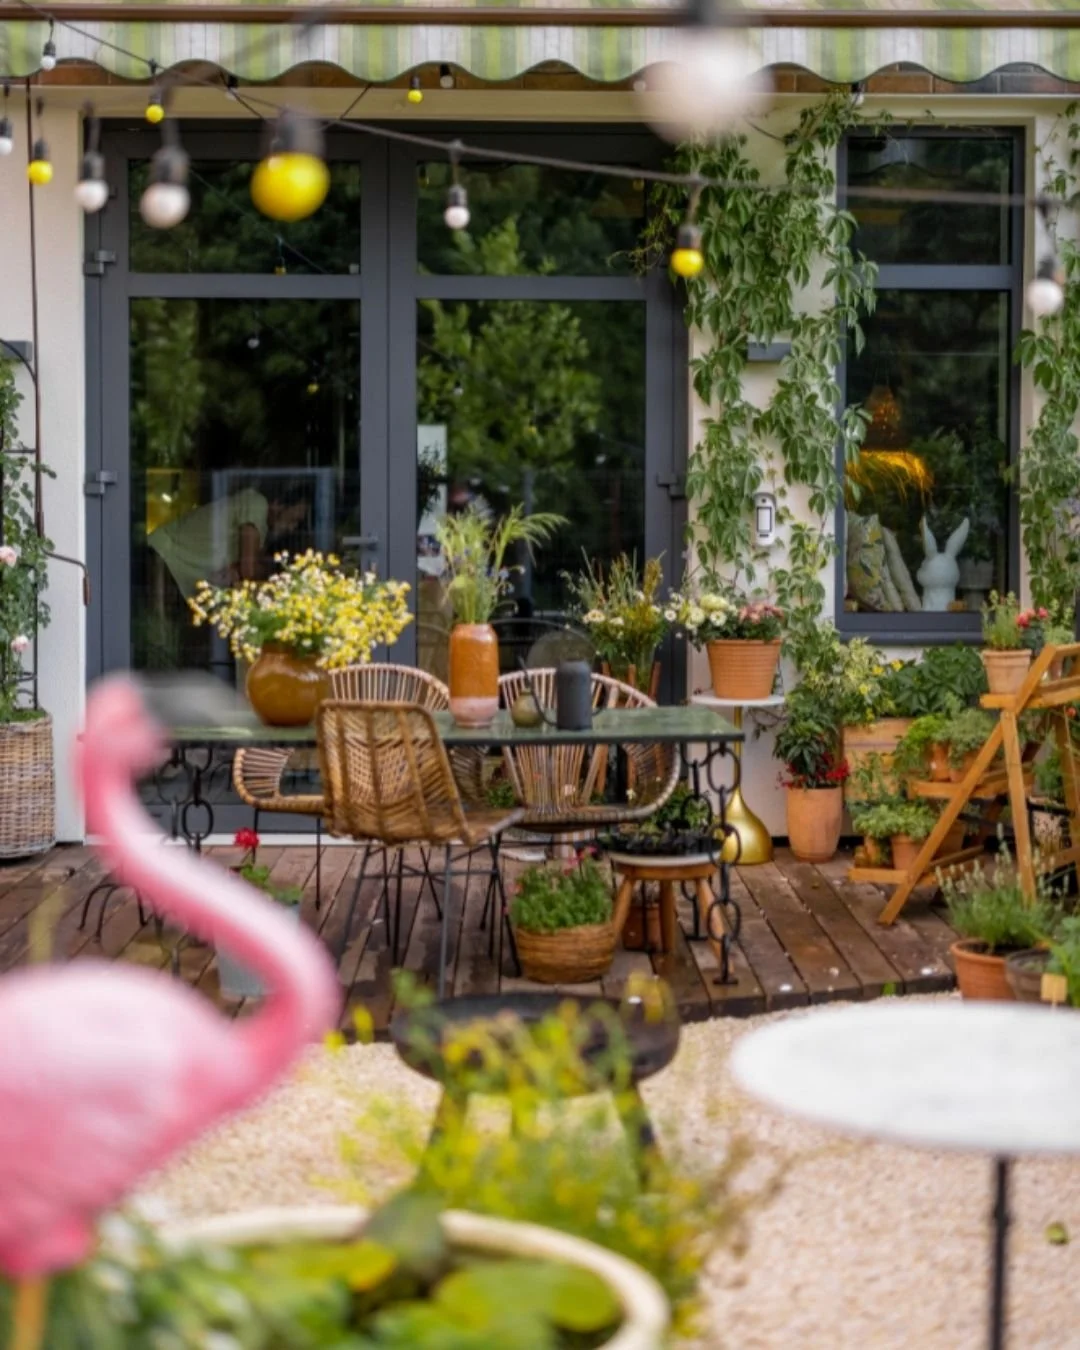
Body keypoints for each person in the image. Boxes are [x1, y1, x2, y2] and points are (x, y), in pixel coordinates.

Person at [147, 486, 307, 602]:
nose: (291, 528)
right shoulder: (257, 504)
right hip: (164, 557)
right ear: (279, 503)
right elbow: (249, 570)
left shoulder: (262, 530)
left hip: (177, 570)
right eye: (294, 520)